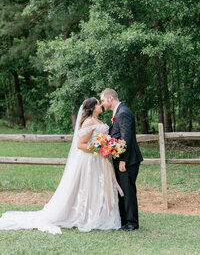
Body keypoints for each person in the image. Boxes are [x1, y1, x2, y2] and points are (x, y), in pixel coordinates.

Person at [0, 97, 121, 234]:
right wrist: (99, 149)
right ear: (92, 108)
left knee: (97, 187)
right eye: (98, 104)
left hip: (99, 160)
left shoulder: (98, 121)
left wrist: (107, 147)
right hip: (90, 160)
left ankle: (99, 215)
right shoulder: (88, 122)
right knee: (89, 187)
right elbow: (80, 145)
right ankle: (87, 216)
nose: (101, 105)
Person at [100, 88, 143, 231]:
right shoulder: (117, 113)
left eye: (103, 101)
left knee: (128, 191)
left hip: (128, 160)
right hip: (121, 159)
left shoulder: (123, 113)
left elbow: (126, 138)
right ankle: (124, 220)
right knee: (122, 191)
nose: (102, 104)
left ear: (110, 99)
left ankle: (132, 223)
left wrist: (123, 160)